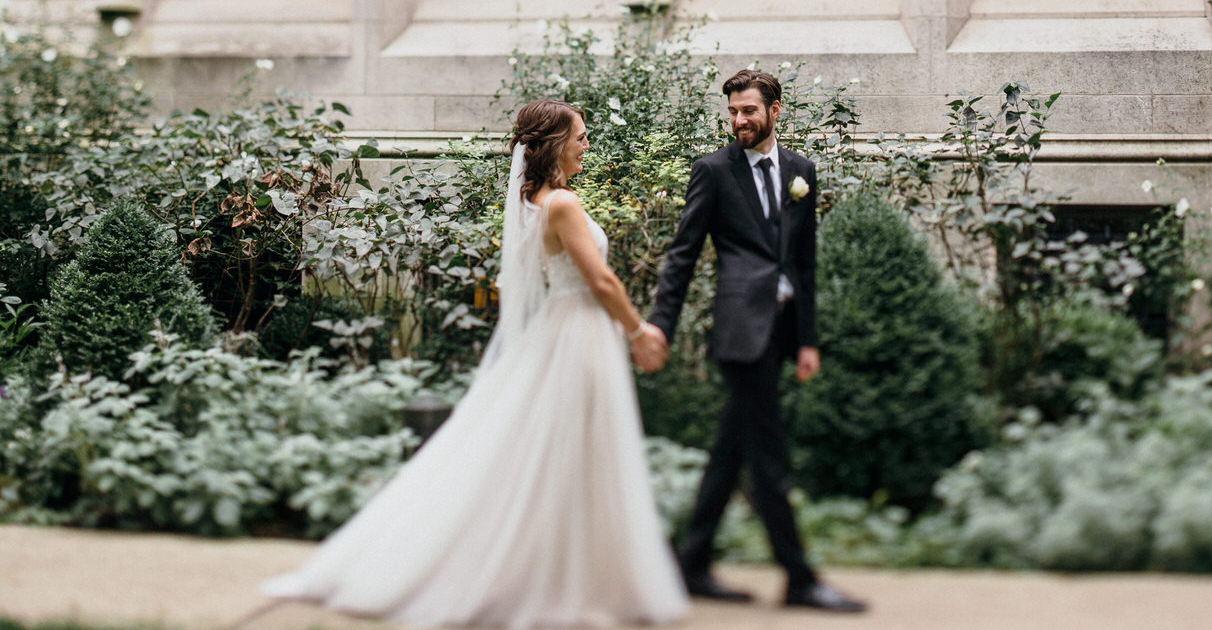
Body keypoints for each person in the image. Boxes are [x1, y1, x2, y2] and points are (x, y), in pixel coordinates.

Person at [262, 99, 686, 629]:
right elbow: (599, 280)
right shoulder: (562, 205)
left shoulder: (536, 201)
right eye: (580, 136)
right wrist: (638, 330)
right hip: (578, 333)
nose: (585, 145)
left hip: (565, 330)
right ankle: (553, 580)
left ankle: (566, 574)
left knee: (561, 451)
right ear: (555, 142)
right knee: (572, 449)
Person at [639, 69, 868, 614]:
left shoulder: (800, 172)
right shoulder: (713, 172)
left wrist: (807, 339)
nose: (739, 121)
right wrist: (660, 325)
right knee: (767, 454)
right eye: (733, 113)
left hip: (782, 331)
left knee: (731, 449)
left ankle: (691, 564)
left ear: (775, 110)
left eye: (749, 111)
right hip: (741, 330)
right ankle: (799, 576)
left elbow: (803, 263)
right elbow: (683, 255)